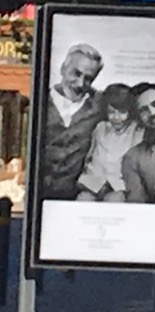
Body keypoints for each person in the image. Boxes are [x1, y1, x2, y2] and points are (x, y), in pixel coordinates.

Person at [42, 44, 106, 200]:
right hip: (38, 194)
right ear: (63, 68)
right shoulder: (39, 100)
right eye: (76, 73)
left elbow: (135, 96)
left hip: (76, 197)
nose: (80, 83)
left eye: (88, 78)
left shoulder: (100, 104)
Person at [75, 83, 144, 202]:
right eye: (111, 112)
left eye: (122, 112)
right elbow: (91, 155)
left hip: (119, 185)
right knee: (82, 200)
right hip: (94, 181)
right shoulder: (100, 128)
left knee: (113, 201)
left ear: (130, 111)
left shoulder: (136, 130)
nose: (116, 117)